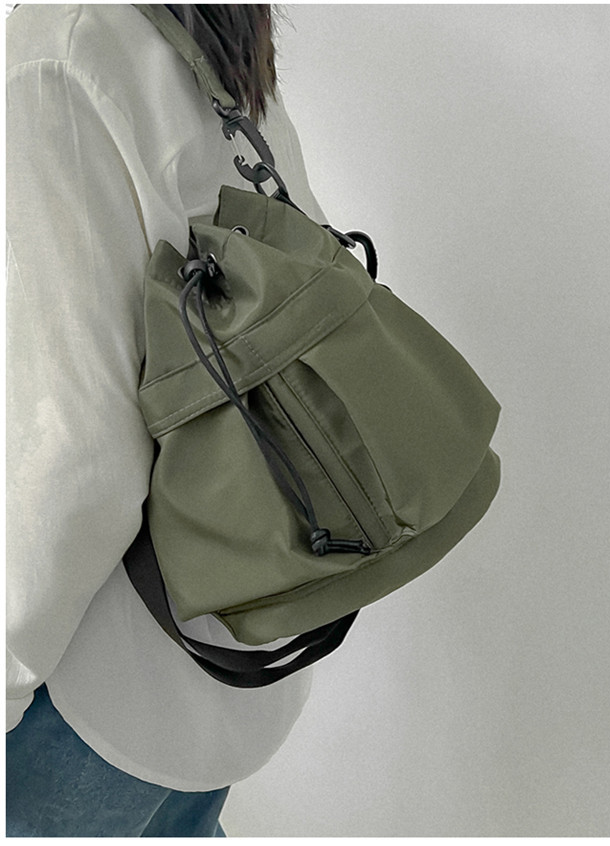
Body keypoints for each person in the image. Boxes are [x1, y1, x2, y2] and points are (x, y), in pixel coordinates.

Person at [6, 4, 328, 836]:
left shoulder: (53, 48)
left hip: (87, 691)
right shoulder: (196, 22)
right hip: (240, 648)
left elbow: (80, 454)